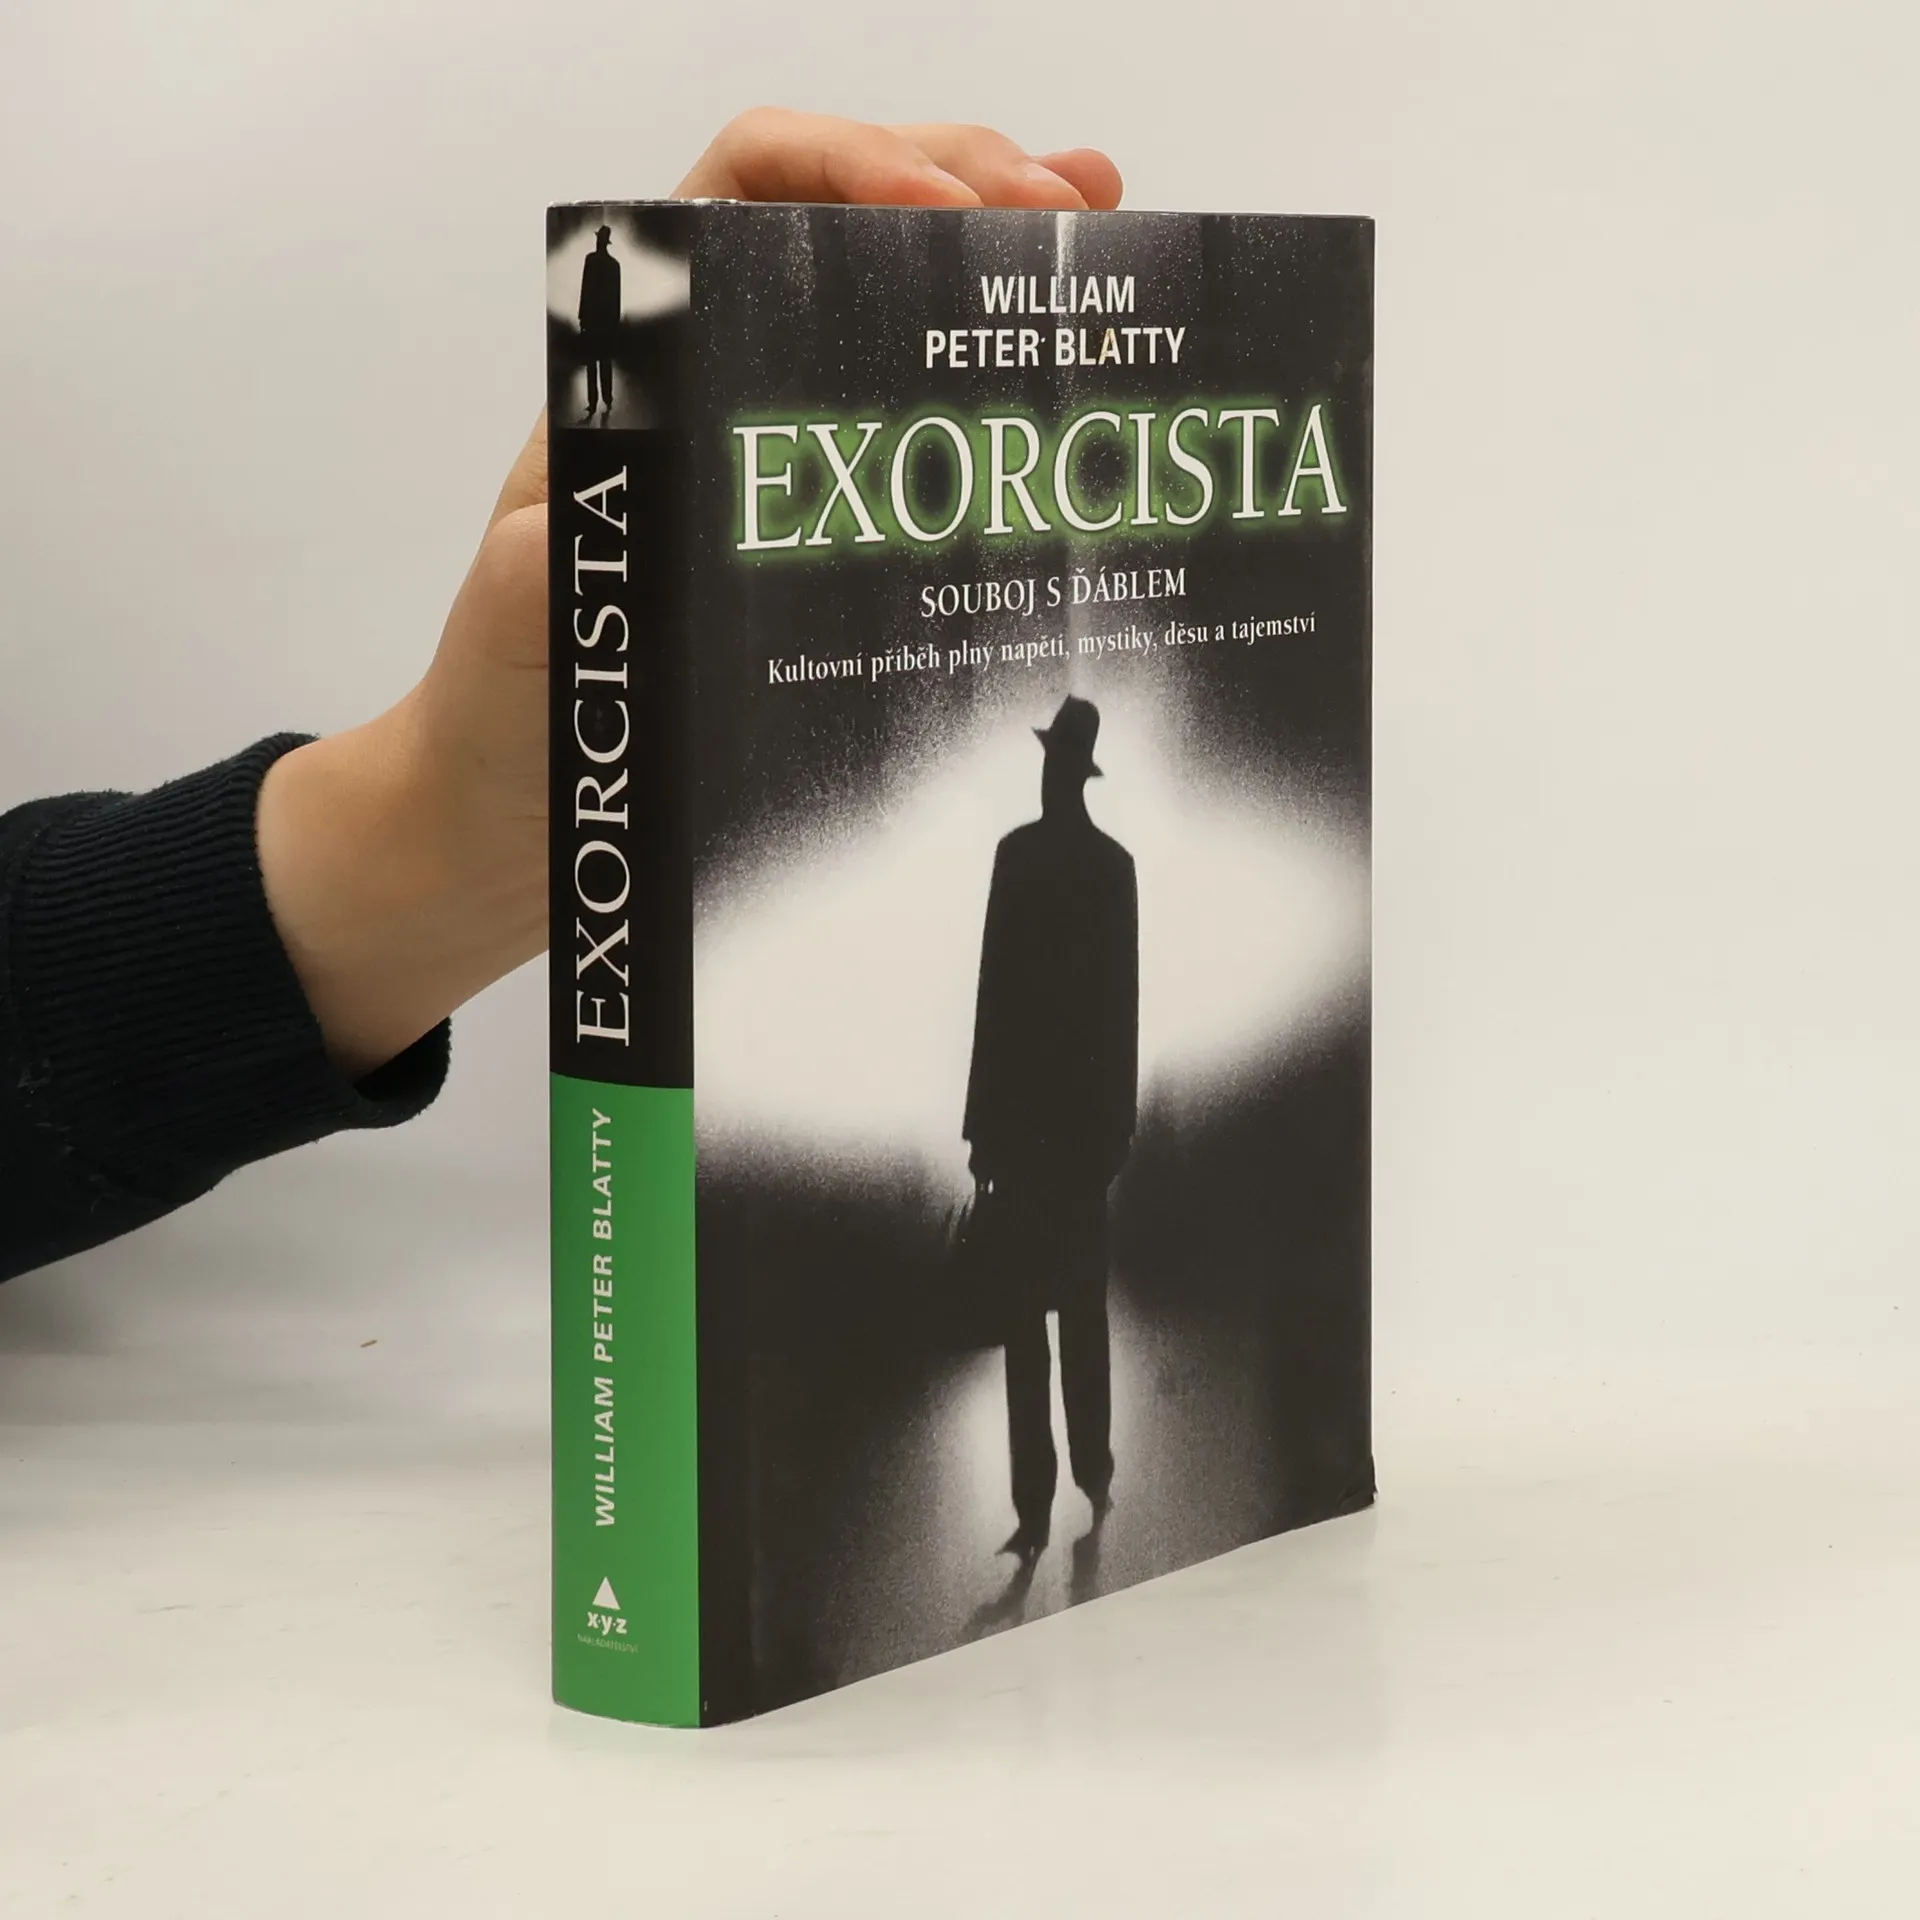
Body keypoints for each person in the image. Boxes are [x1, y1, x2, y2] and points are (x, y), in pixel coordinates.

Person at [0, 111, 1124, 1287]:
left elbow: (1105, 999)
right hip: (1024, 1135)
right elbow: (1000, 1002)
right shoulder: (1020, 856)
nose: (1052, 765)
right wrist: (445, 836)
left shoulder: (1090, 866)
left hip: (1077, 1137)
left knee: (1073, 1311)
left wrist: (444, 841)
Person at [964, 696, 1140, 1564]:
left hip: (1030, 1133)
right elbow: (1121, 1007)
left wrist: (982, 1132)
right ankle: (1088, 1480)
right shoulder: (1113, 868)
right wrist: (1116, 1131)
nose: (1049, 772)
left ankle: (1036, 1507)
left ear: (1058, 768)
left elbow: (994, 1000)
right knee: (1078, 1317)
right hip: (1078, 1136)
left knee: (1028, 1327)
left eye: (1052, 759)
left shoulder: (1017, 856)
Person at [577, 223, 620, 419]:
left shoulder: (591, 260)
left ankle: (595, 402)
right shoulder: (614, 265)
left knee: (593, 364)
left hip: (593, 320)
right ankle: (605, 400)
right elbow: (615, 297)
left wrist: (582, 318)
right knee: (604, 362)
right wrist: (614, 323)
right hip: (605, 322)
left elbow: (585, 290)